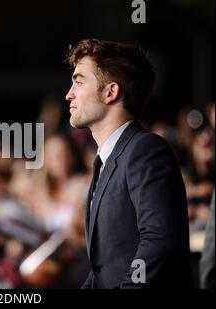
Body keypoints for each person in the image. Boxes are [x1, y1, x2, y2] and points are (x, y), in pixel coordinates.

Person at [65, 39, 193, 288]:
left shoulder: (145, 150)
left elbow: (159, 241)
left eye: (79, 82)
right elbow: (104, 270)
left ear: (110, 92)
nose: (69, 93)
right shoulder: (107, 160)